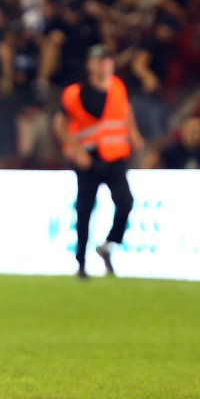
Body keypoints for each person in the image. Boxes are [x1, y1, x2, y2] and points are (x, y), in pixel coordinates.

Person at [52, 45, 144, 279]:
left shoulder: (118, 88)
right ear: (90, 65)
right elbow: (59, 125)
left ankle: (109, 243)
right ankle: (81, 263)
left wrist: (134, 133)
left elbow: (125, 111)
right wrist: (74, 150)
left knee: (125, 202)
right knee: (84, 210)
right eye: (99, 61)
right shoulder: (74, 94)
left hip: (114, 157)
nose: (104, 65)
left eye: (107, 60)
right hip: (88, 160)